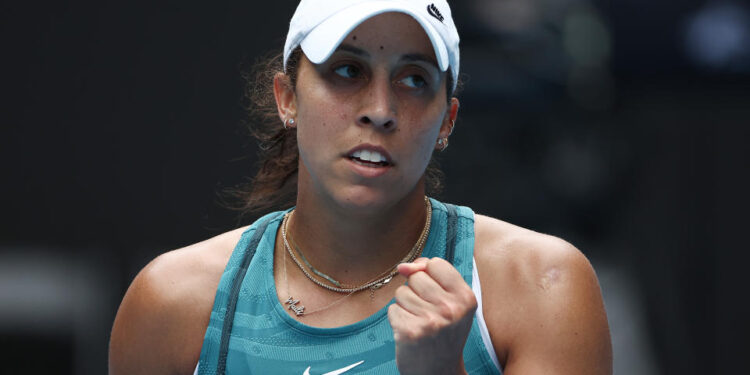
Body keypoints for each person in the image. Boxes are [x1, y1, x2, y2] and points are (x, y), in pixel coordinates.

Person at [109, 0, 612, 374]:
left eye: (414, 79)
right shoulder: (170, 302)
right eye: (347, 71)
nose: (380, 109)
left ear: (447, 121)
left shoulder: (543, 286)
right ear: (287, 98)